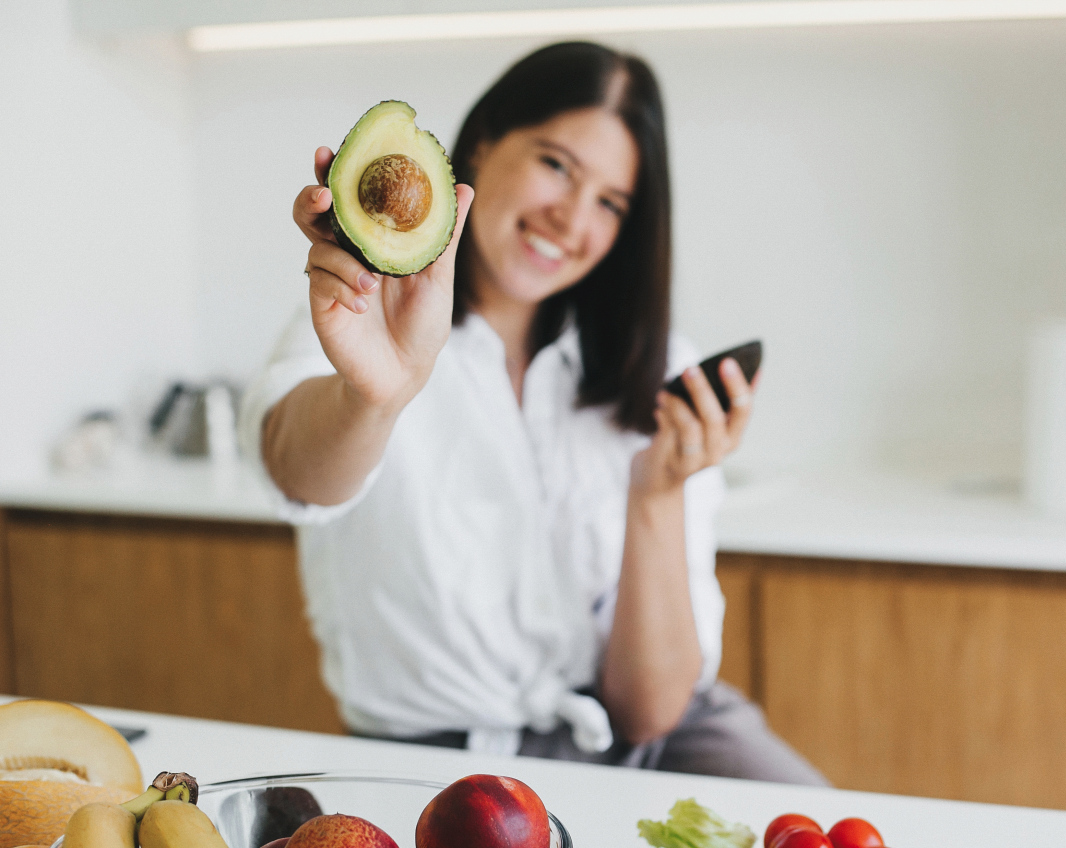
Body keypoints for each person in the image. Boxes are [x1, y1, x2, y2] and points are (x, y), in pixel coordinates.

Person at [240, 41, 826, 784]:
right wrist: (372, 394)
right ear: (484, 142)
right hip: (443, 761)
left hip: (658, 741)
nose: (572, 219)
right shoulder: (364, 315)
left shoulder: (653, 364)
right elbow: (299, 470)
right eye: (556, 165)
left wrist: (657, 492)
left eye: (611, 203)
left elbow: (649, 712)